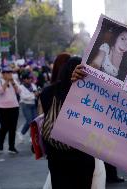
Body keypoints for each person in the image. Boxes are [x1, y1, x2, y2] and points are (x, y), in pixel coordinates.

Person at [39, 57, 95, 189]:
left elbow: (45, 116)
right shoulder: (86, 94)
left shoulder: (47, 92)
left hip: (56, 156)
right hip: (82, 155)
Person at [0, 66, 20, 153]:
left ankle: (11, 146)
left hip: (14, 107)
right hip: (1, 108)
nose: (10, 74)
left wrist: (12, 82)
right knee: (4, 126)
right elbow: (0, 91)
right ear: (3, 73)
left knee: (13, 128)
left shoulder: (13, 81)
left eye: (11, 72)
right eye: (8, 72)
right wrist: (6, 81)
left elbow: (19, 91)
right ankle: (1, 143)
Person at [18, 71, 38, 141]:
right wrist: (33, 95)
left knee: (35, 121)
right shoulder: (20, 87)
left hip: (33, 105)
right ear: (24, 79)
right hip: (25, 105)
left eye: (30, 78)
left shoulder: (33, 85)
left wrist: (34, 95)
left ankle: (22, 133)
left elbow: (36, 93)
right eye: (28, 78)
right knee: (30, 121)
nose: (30, 80)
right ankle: (30, 136)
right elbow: (23, 97)